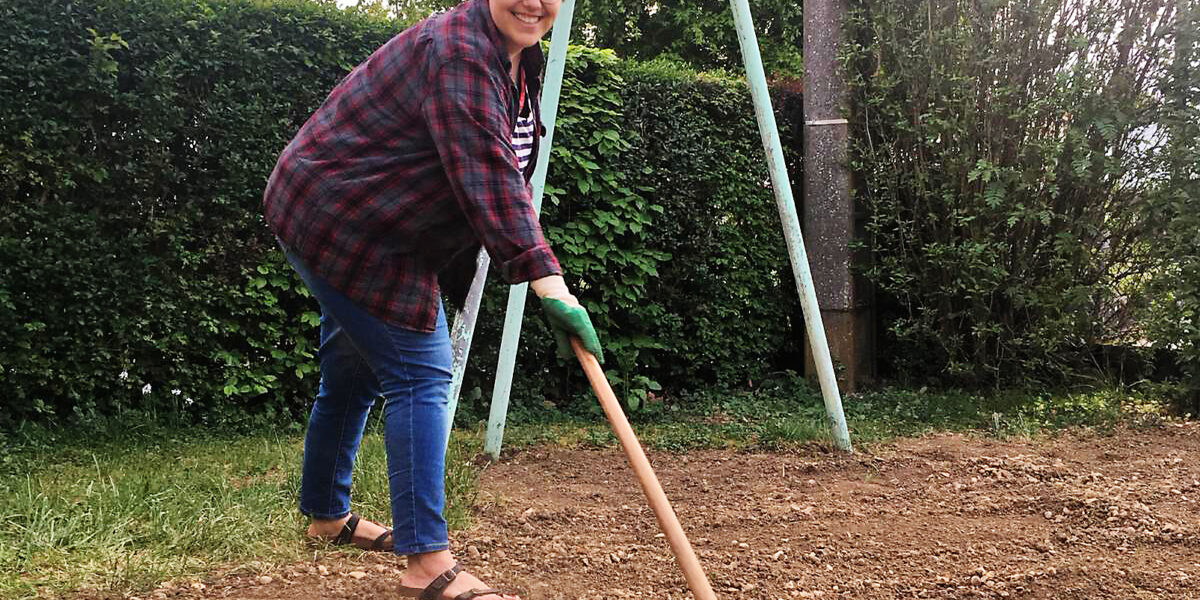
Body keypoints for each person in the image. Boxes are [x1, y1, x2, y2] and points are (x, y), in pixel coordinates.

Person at [261, 0, 603, 597]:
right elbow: (488, 171)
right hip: (343, 221)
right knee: (421, 374)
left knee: (353, 371)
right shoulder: (459, 52)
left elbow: (500, 161)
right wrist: (549, 281)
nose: (534, 2)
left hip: (376, 223)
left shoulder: (519, 55)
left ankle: (326, 517)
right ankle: (426, 562)